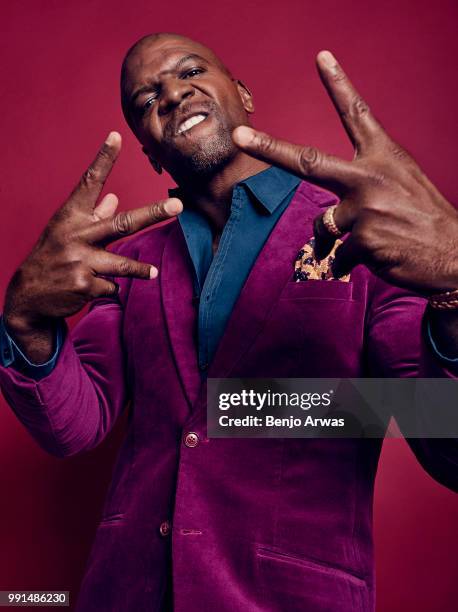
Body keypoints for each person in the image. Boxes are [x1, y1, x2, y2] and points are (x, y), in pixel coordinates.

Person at [0, 32, 457, 612]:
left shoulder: (366, 231)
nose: (171, 94)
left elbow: (442, 439)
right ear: (149, 150)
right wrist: (24, 322)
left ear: (242, 93)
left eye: (190, 71)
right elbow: (74, 426)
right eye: (146, 100)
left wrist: (455, 286)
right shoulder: (129, 263)